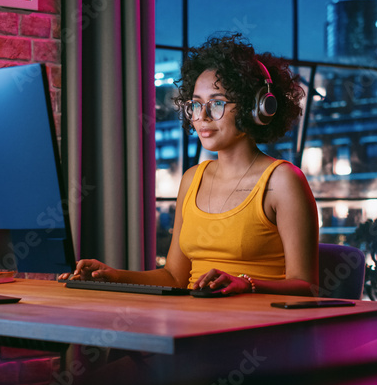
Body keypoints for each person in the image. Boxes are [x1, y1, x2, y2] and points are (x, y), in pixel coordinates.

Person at [60, 33, 319, 295]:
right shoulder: (192, 178)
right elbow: (174, 277)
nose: (202, 116)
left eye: (217, 103)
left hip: (260, 327)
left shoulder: (283, 180)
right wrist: (113, 276)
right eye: (195, 105)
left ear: (257, 107)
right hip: (196, 322)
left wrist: (246, 283)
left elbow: (308, 287)